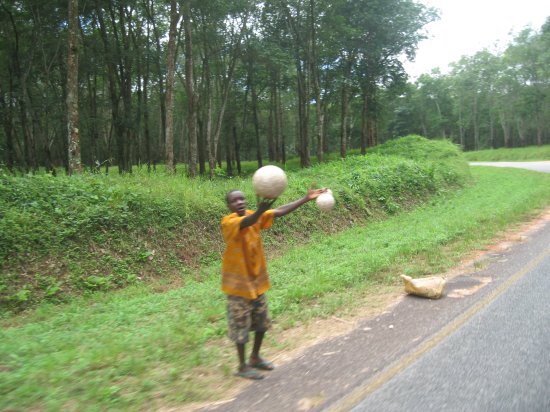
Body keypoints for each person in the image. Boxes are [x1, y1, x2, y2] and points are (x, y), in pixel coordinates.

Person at [221, 188, 326, 380]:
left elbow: (278, 211)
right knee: (240, 328)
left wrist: (305, 198)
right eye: (234, 201)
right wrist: (260, 211)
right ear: (229, 206)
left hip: (256, 284)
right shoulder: (229, 222)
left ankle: (255, 357)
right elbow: (246, 222)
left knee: (262, 323)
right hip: (238, 288)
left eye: (242, 199)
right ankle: (242, 366)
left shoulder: (255, 215)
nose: (240, 202)